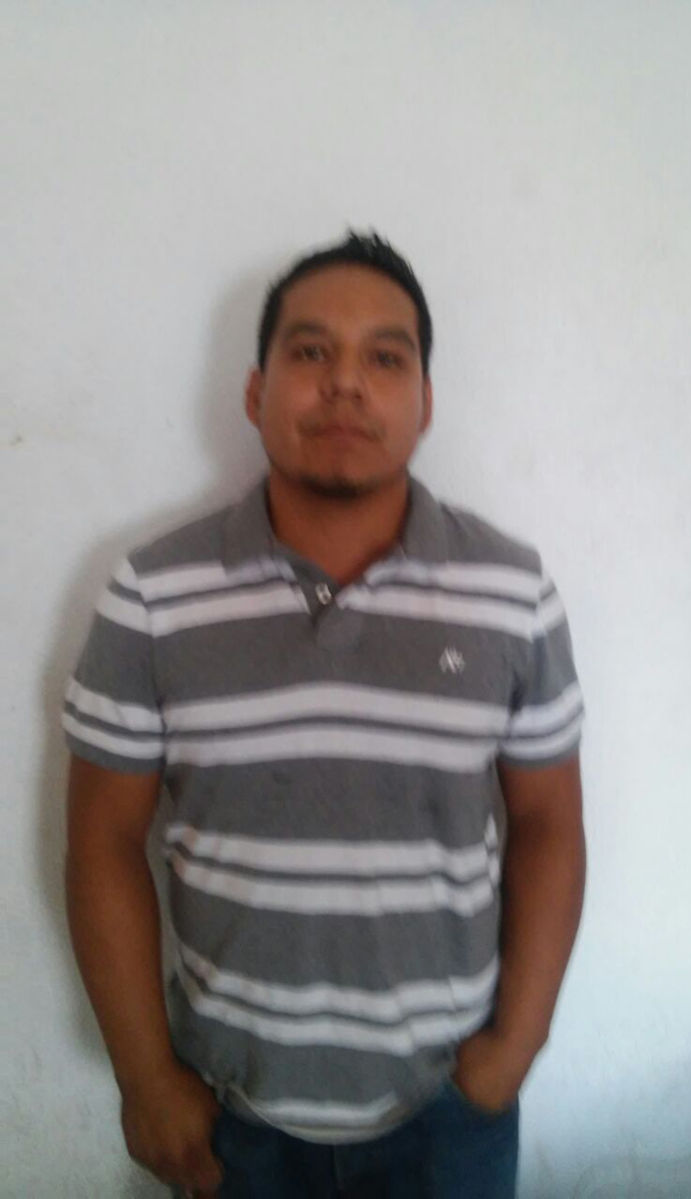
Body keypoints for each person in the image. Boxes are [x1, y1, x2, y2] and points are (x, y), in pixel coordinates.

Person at [64, 232, 586, 1198]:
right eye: (311, 351)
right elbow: (101, 841)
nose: (346, 383)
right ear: (256, 392)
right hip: (230, 1111)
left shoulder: (511, 594)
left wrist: (518, 1041)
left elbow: (550, 822)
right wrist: (145, 1079)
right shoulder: (153, 594)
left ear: (424, 402)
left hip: (448, 1110)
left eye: (385, 357)